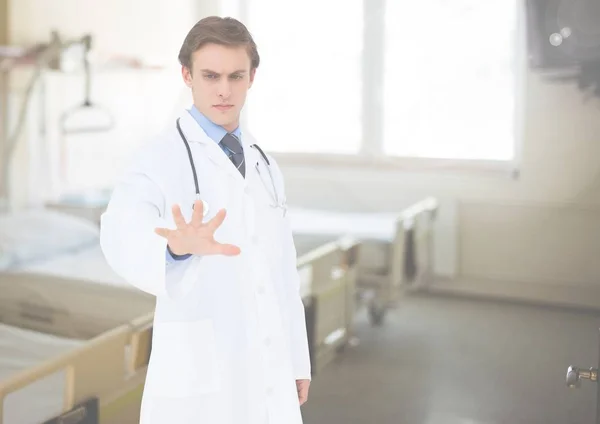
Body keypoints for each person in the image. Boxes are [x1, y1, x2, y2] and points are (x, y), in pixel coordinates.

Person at [100, 16, 311, 424]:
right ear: (187, 75)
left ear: (252, 77)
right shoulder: (158, 157)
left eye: (236, 75)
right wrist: (174, 247)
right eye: (210, 75)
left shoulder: (264, 163)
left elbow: (282, 270)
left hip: (270, 364)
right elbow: (119, 230)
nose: (223, 89)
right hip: (199, 377)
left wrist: (297, 358)